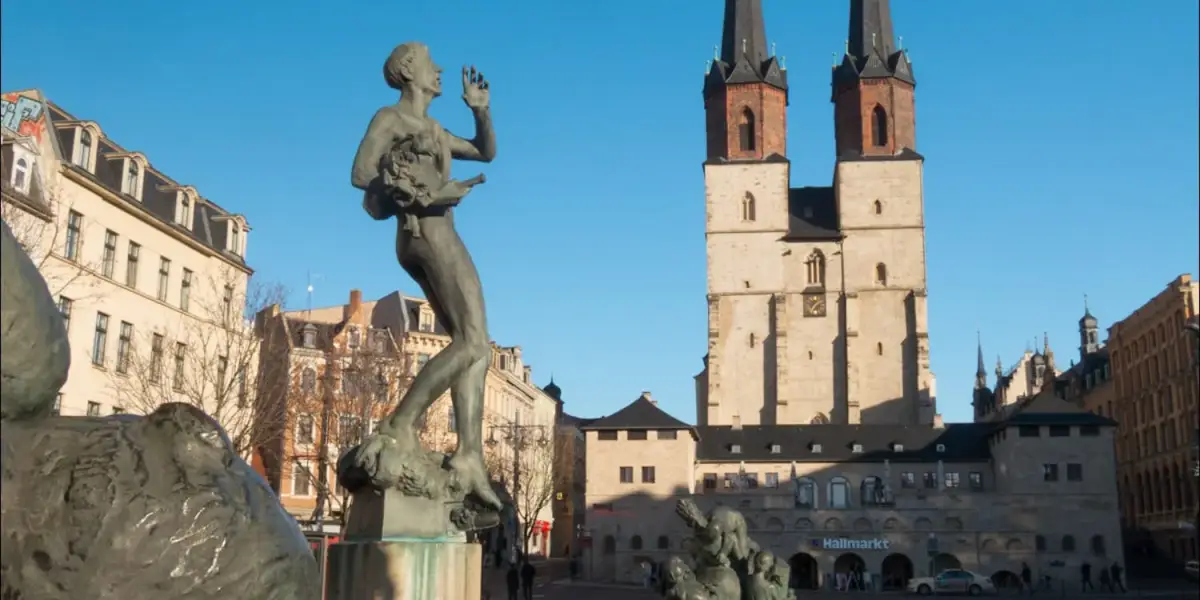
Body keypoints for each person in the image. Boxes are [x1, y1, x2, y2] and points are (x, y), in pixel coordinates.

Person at [349, 41, 501, 511]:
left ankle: (470, 455)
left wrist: (482, 113)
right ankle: (402, 423)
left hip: (434, 233)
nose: (439, 70)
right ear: (410, 71)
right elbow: (360, 175)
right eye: (431, 64)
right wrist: (417, 193)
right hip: (426, 233)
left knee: (475, 345)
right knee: (474, 341)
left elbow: (484, 151)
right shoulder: (389, 120)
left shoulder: (433, 127)